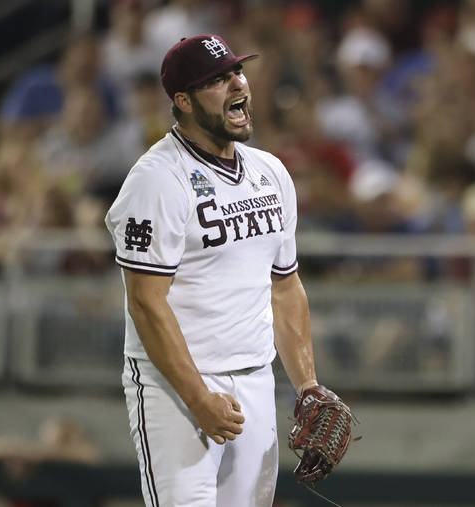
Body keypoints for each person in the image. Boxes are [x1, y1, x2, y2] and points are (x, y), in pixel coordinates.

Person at [104, 34, 335, 506]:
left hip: (254, 378)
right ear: (183, 101)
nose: (236, 84)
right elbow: (146, 302)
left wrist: (307, 385)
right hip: (175, 386)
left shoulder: (270, 171)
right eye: (216, 79)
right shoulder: (155, 181)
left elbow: (285, 287)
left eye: (236, 71)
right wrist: (196, 397)